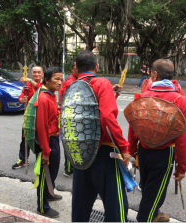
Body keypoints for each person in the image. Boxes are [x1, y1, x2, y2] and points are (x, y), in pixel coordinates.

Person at [128, 59, 186, 222]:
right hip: (164, 153)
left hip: (143, 149)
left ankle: (154, 214)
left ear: (154, 74)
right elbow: (184, 138)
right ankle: (145, 218)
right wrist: (182, 166)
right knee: (156, 192)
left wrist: (131, 152)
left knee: (149, 187)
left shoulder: (143, 97)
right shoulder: (180, 101)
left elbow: (133, 126)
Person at [71, 50, 130, 222]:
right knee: (116, 206)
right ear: (97, 66)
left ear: (77, 68)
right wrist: (123, 147)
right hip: (103, 152)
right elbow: (106, 117)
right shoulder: (101, 83)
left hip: (80, 151)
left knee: (81, 204)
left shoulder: (72, 86)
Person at [34, 67, 63, 218]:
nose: (60, 82)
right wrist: (45, 151)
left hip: (54, 138)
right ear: (46, 80)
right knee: (45, 174)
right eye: (56, 79)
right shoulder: (44, 98)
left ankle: (49, 193)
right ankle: (42, 206)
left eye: (61, 79)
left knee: (53, 171)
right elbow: (41, 127)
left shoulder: (51, 95)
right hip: (47, 141)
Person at [12, 66, 44, 169]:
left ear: (42, 74)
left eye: (39, 72)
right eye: (34, 72)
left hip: (41, 117)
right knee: (25, 138)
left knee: (39, 139)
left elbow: (41, 88)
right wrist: (22, 100)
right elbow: (20, 97)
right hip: (29, 117)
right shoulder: (27, 86)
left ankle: (40, 159)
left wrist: (29, 80)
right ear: (31, 73)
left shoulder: (45, 84)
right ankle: (23, 159)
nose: (37, 74)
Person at [58, 60, 78, 179]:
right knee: (70, 144)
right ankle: (69, 170)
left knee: (72, 143)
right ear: (72, 69)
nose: (79, 69)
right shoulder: (70, 83)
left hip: (71, 116)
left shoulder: (75, 81)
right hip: (69, 118)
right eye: (76, 67)